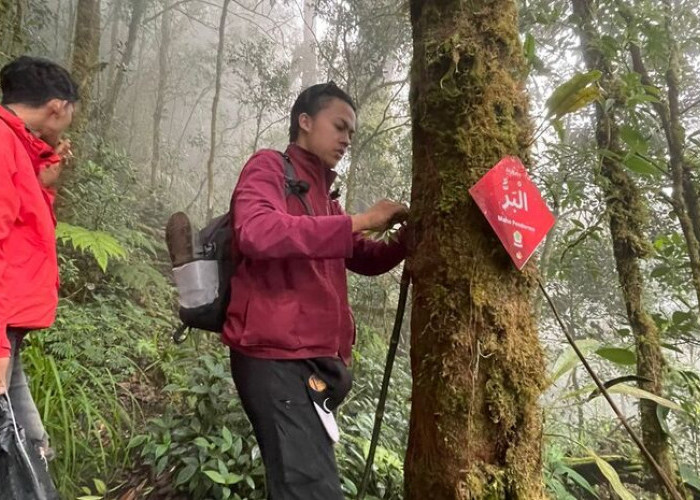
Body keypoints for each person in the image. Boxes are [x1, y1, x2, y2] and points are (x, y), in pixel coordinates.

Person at [223, 82, 408, 499]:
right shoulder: (269, 168)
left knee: (299, 487)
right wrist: (360, 220)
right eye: (339, 126)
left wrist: (408, 239)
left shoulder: (324, 195)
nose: (346, 139)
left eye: (351, 133)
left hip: (312, 366)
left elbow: (362, 256)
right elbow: (256, 232)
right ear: (305, 122)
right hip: (275, 360)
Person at [0, 55, 78, 461]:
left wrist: (44, 178)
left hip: (11, 320)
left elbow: (21, 226)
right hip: (2, 322)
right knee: (18, 447)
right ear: (58, 106)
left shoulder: (14, 143)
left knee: (30, 445)